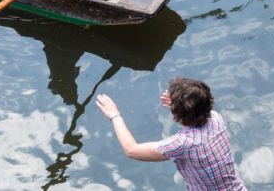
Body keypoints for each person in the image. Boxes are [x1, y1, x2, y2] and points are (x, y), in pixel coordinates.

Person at [96, 77, 247, 190]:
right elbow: (197, 108)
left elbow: (132, 150)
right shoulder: (216, 118)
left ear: (178, 112)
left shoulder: (183, 144)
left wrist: (114, 115)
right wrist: (178, 105)